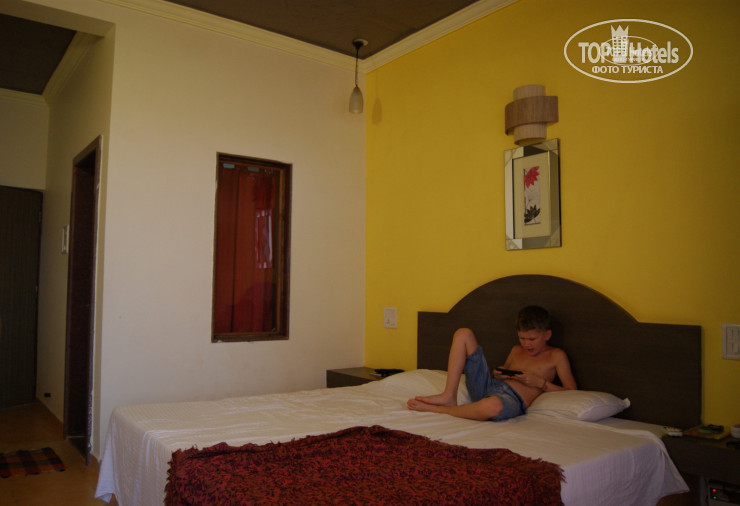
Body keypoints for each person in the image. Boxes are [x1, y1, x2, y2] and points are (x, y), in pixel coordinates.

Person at [407, 305, 577, 421]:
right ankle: (449, 395)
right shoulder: (516, 350)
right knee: (463, 333)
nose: (527, 344)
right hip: (489, 386)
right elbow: (505, 371)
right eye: (522, 338)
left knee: (492, 405)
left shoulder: (556, 356)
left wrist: (541, 383)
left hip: (511, 399)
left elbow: (572, 391)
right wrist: (500, 373)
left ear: (547, 335)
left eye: (532, 339)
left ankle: (439, 410)